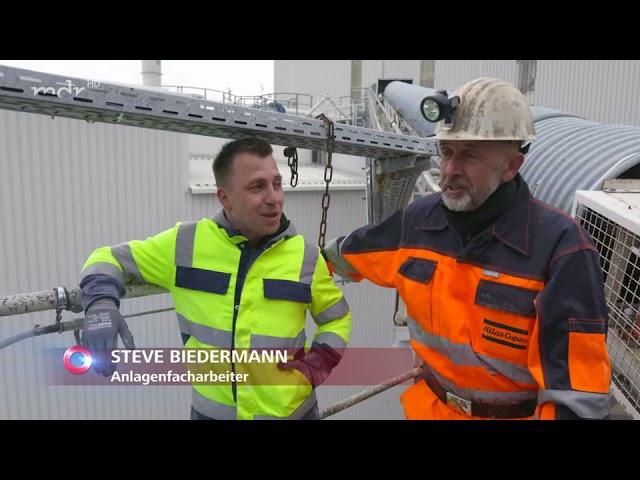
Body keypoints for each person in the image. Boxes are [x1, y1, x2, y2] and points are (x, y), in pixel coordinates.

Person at [324, 77, 611, 420]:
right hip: (429, 410)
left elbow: (577, 399)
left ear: (511, 166)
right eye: (446, 152)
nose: (449, 170)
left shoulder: (562, 251)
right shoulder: (417, 224)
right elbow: (345, 256)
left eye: (469, 156)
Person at [79, 137, 351, 420]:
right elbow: (105, 257)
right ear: (225, 197)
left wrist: (314, 368)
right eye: (257, 186)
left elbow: (337, 318)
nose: (274, 198)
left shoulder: (305, 255)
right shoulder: (184, 245)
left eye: (277, 184)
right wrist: (100, 305)